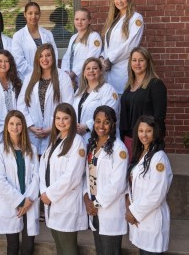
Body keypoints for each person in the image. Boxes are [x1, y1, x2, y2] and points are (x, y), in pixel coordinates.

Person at [40, 103, 88, 255]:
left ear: (73, 120)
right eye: (58, 118)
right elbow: (44, 170)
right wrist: (44, 192)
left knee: (68, 249)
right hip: (52, 202)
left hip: (66, 204)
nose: (61, 122)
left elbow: (72, 177)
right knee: (60, 248)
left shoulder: (77, 142)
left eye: (65, 118)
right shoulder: (56, 139)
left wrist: (49, 195)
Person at [0, 110, 39, 255]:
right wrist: (20, 201)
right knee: (12, 247)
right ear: (6, 126)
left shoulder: (32, 149)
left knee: (28, 248)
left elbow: (37, 177)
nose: (15, 127)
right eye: (11, 123)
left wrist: (28, 200)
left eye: (18, 124)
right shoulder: (0, 151)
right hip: (11, 204)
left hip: (29, 204)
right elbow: (0, 181)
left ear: (23, 126)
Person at [84, 105, 128, 255]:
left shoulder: (119, 149)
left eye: (106, 122)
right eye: (98, 121)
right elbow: (88, 175)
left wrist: (96, 203)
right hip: (94, 208)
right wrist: (87, 199)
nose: (101, 126)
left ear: (113, 124)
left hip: (109, 210)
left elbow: (118, 184)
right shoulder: (92, 146)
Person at [125, 116, 173, 254]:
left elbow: (156, 194)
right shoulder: (141, 153)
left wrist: (133, 212)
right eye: (141, 130)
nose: (144, 135)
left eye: (148, 131)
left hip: (151, 220)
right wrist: (129, 205)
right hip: (141, 221)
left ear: (155, 133)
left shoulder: (159, 158)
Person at [17, 43, 73, 156]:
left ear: (53, 57)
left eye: (48, 55)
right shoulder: (30, 78)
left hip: (56, 131)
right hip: (33, 132)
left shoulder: (63, 77)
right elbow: (21, 104)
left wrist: (52, 128)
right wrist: (30, 126)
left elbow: (68, 106)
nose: (44, 59)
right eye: (41, 56)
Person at [120, 47, 167, 158]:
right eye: (134, 60)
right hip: (128, 140)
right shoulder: (129, 86)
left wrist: (152, 142)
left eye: (141, 60)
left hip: (146, 141)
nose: (137, 63)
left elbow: (159, 117)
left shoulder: (155, 84)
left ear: (148, 62)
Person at [100, 0, 144, 94]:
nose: (119, 1)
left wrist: (110, 60)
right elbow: (108, 46)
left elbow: (131, 45)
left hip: (122, 70)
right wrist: (101, 58)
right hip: (108, 71)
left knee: (121, 103)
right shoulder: (114, 20)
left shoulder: (136, 18)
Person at [73, 57, 119, 143]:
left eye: (95, 68)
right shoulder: (79, 92)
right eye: (88, 68)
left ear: (101, 71)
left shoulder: (108, 90)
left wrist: (87, 126)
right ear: (84, 73)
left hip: (100, 137)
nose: (91, 71)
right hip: (79, 138)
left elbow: (110, 114)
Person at [12, 1, 58, 80]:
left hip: (48, 77)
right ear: (25, 14)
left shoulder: (48, 34)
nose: (33, 16)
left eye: (36, 13)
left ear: (40, 14)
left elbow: (54, 55)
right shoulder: (18, 36)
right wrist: (38, 74)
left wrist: (47, 73)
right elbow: (19, 61)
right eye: (30, 13)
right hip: (28, 78)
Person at [61, 8, 102, 88]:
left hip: (84, 79)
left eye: (83, 19)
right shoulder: (73, 37)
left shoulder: (94, 37)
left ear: (89, 21)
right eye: (77, 19)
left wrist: (73, 74)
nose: (79, 22)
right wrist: (67, 74)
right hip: (70, 80)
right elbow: (66, 57)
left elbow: (90, 60)